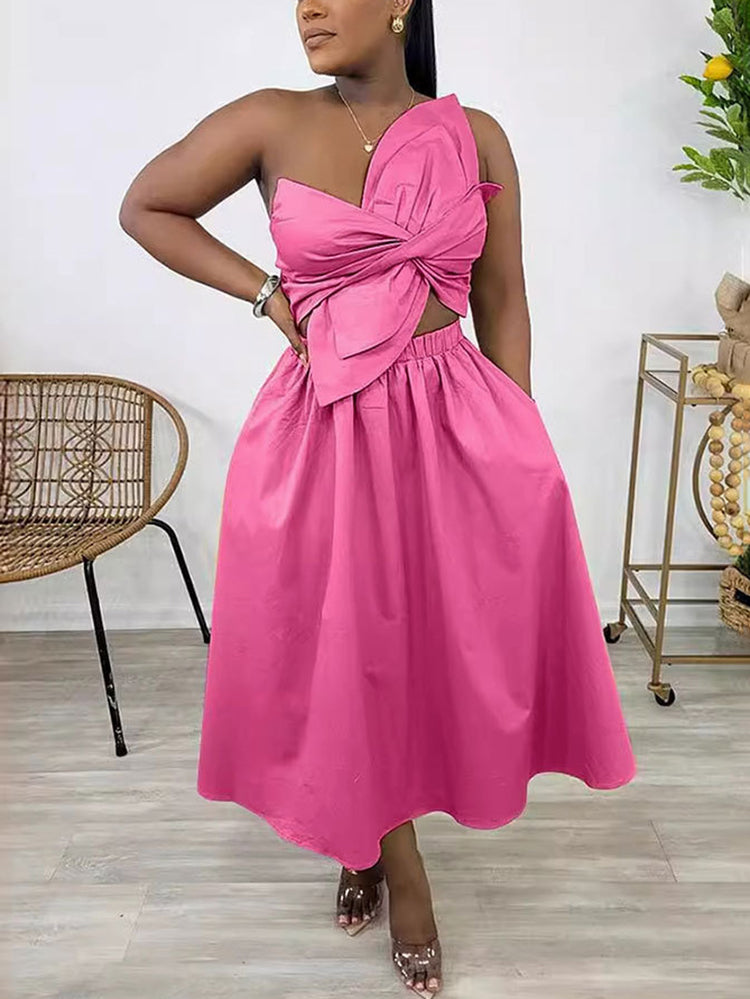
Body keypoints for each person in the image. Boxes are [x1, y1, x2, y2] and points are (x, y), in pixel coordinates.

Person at [119, 1, 637, 994]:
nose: (307, 8)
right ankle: (401, 867)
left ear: (401, 1)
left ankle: (360, 833)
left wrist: (517, 436)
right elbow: (148, 206)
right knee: (353, 653)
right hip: (324, 427)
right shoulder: (270, 120)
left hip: (453, 417)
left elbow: (502, 294)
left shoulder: (476, 135)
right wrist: (269, 295)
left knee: (434, 647)